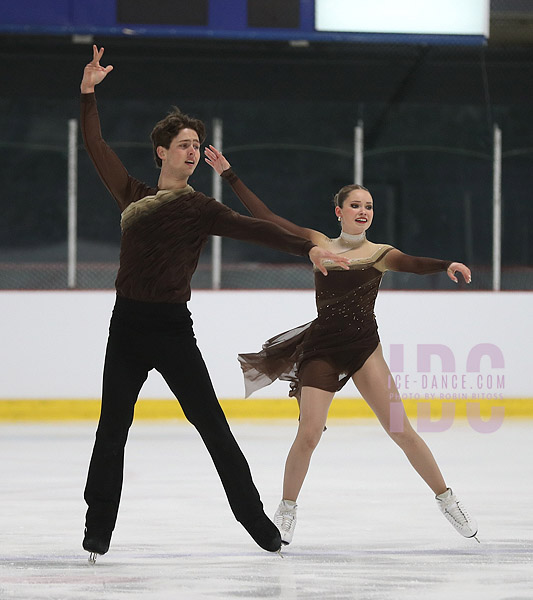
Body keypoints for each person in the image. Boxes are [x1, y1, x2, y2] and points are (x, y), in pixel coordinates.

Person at [79, 46, 350, 562]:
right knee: (112, 428)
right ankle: (97, 531)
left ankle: (258, 525)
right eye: (183, 144)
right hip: (127, 327)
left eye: (196, 145)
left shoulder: (202, 209)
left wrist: (307, 246)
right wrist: (89, 91)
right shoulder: (133, 196)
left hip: (173, 330)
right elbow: (95, 144)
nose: (191, 151)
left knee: (213, 427)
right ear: (161, 151)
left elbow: (259, 229)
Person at [205, 145, 479, 547]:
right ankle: (286, 509)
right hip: (323, 349)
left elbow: (414, 262)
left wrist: (445, 264)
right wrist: (230, 175)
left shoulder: (381, 254)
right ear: (340, 212)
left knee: (400, 428)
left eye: (368, 206)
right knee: (310, 432)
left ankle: (447, 499)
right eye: (355, 205)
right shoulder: (318, 243)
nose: (363, 211)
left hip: (365, 348)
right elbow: (267, 219)